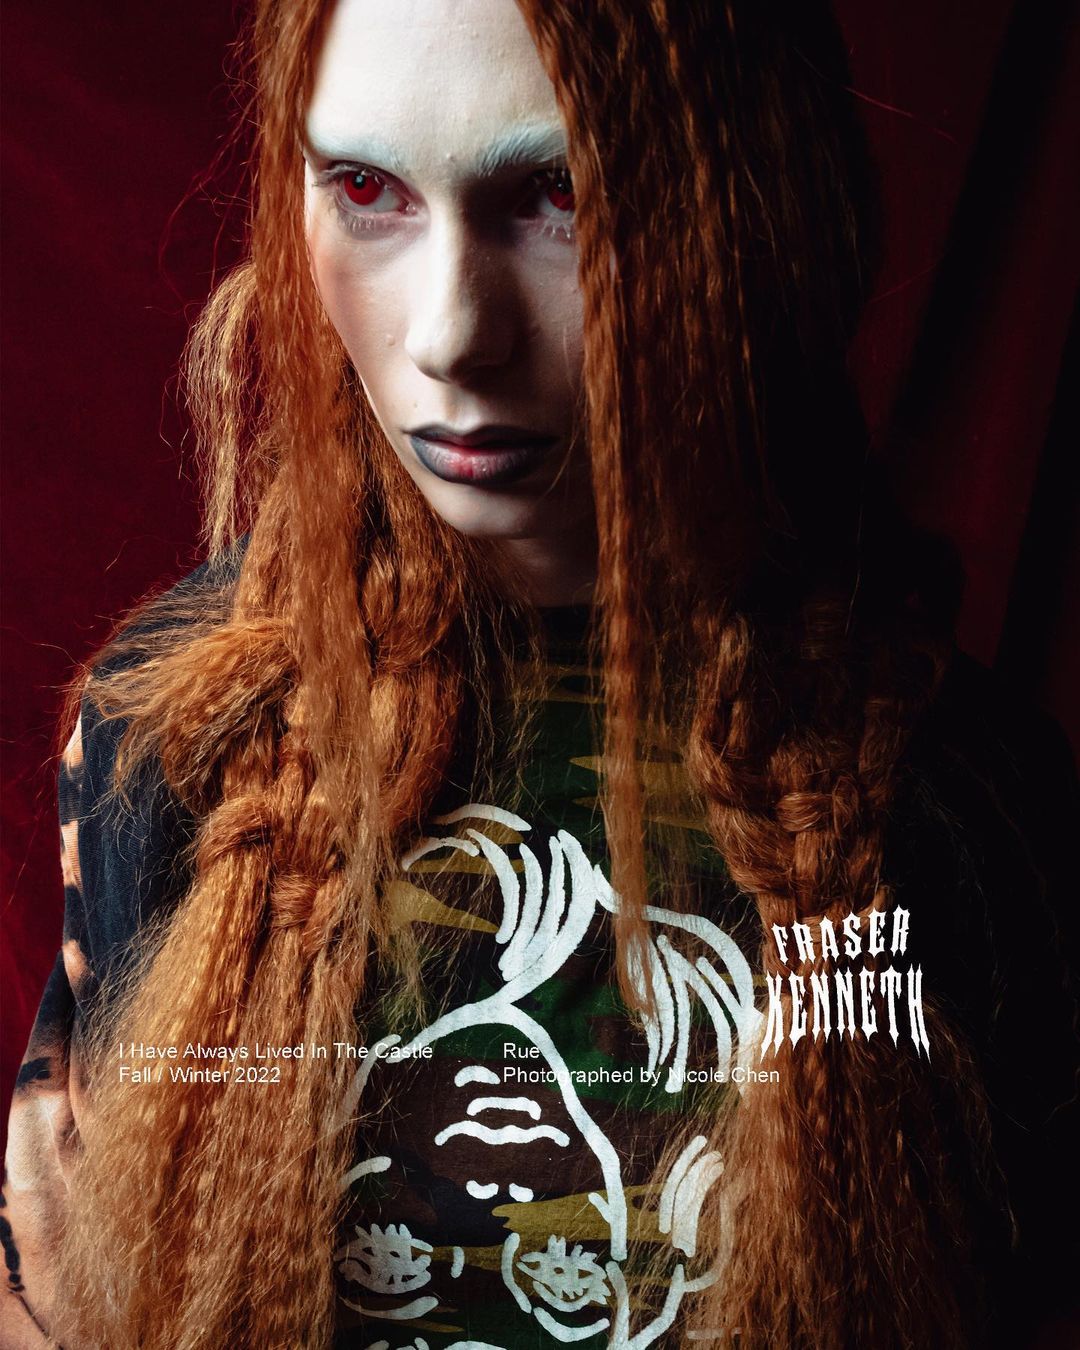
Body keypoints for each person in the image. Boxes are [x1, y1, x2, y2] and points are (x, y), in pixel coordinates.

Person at [3, 0, 1077, 1347]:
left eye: (558, 195)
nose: (453, 333)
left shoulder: (969, 812)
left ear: (755, 207)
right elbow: (53, 1294)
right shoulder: (180, 732)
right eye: (367, 189)